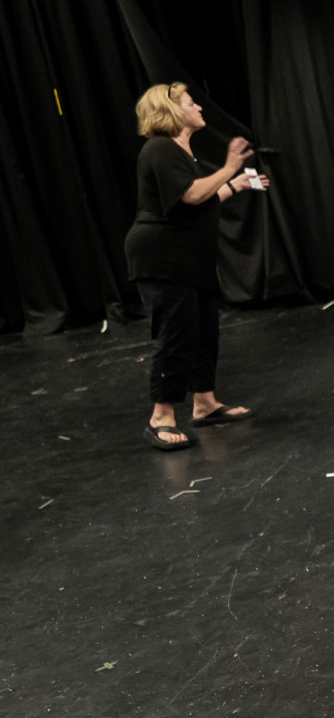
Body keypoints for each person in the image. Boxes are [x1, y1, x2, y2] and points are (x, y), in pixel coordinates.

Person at [124, 83, 272, 451]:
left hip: (190, 257)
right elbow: (191, 195)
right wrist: (229, 167)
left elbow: (200, 199)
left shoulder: (182, 152)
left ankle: (204, 404)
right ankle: (161, 417)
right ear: (173, 111)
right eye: (192, 103)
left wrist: (236, 184)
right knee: (177, 335)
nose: (200, 108)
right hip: (162, 256)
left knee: (205, 332)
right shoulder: (159, 148)